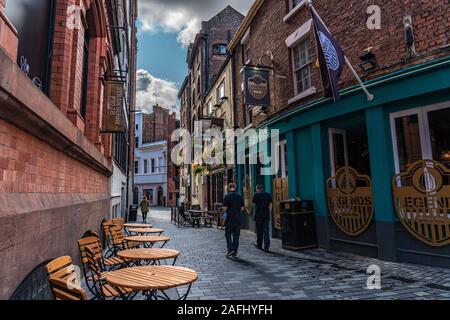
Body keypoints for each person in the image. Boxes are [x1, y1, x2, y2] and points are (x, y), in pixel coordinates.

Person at [223, 182, 244, 259]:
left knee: (228, 234)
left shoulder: (227, 196)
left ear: (229, 188)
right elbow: (242, 208)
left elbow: (225, 208)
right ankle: (235, 251)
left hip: (230, 218)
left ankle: (230, 249)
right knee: (236, 235)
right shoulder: (240, 196)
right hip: (238, 218)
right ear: (235, 187)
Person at [252, 185, 273, 253]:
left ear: (258, 189)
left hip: (258, 216)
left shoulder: (256, 195)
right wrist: (268, 211)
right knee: (266, 231)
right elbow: (270, 205)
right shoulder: (268, 194)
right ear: (263, 189)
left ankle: (259, 245)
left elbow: (253, 202)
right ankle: (266, 247)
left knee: (259, 231)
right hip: (266, 215)